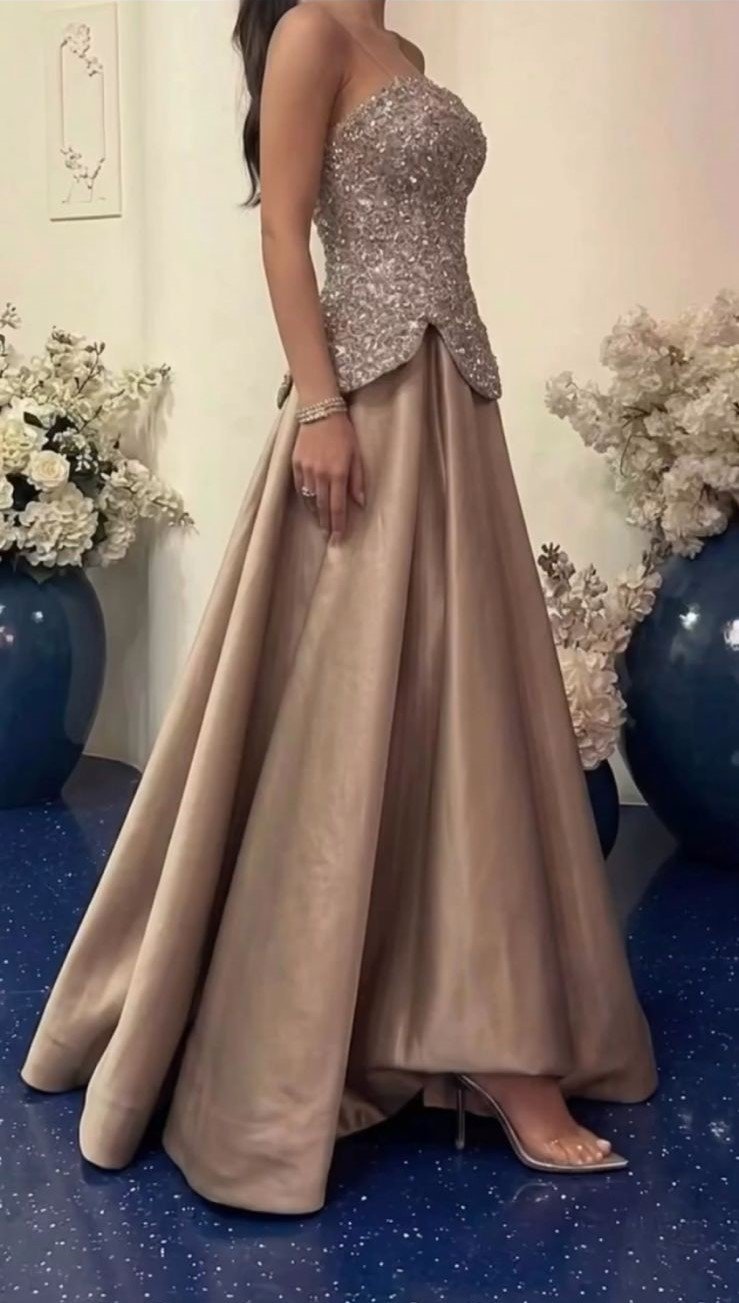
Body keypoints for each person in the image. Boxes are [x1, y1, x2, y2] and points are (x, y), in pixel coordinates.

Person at [20, 0, 658, 1215]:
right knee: (345, 712)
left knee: (460, 710)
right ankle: (356, 1027)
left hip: (455, 406)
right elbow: (282, 231)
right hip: (364, 407)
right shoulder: (312, 29)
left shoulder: (402, 52)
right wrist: (320, 407)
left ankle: (476, 1022)